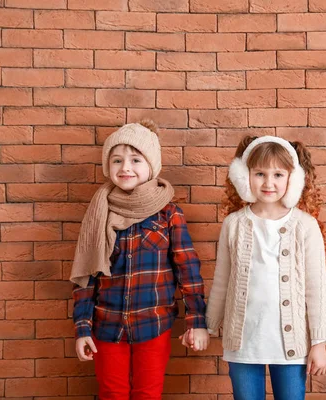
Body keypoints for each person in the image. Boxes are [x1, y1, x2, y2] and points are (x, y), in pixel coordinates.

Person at [70, 120, 209, 400]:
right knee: (112, 393)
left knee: (148, 393)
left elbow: (188, 270)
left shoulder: (169, 214)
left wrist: (197, 321)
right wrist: (82, 327)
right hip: (107, 325)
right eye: (117, 160)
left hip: (154, 324)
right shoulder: (100, 212)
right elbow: (86, 274)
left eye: (135, 159)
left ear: (151, 166)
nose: (125, 168)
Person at [205, 135, 326, 400]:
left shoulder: (305, 226)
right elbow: (222, 281)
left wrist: (319, 343)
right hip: (243, 342)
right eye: (260, 173)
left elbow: (316, 289)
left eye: (278, 174)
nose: (268, 182)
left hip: (291, 345)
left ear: (292, 179)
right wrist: (208, 326)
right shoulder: (234, 224)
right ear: (244, 176)